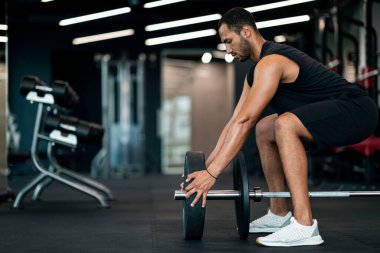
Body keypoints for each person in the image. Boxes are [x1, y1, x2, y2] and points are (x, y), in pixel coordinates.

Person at [182, 7, 378, 247]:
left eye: (229, 41)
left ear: (246, 31)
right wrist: (205, 167)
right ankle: (278, 214)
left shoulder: (273, 61)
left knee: (284, 124)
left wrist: (212, 175)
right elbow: (235, 121)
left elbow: (244, 121)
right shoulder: (254, 73)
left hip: (358, 111)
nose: (228, 50)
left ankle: (305, 226)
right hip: (334, 113)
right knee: (265, 127)